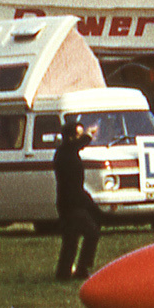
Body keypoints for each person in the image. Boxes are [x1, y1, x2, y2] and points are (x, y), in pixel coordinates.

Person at [53, 116, 101, 281]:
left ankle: (64, 273)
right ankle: (81, 269)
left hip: (68, 202)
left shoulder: (64, 152)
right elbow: (77, 145)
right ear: (71, 137)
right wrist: (88, 135)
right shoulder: (66, 153)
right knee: (92, 232)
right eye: (78, 134)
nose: (81, 138)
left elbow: (77, 145)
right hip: (72, 204)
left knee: (71, 240)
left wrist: (87, 134)